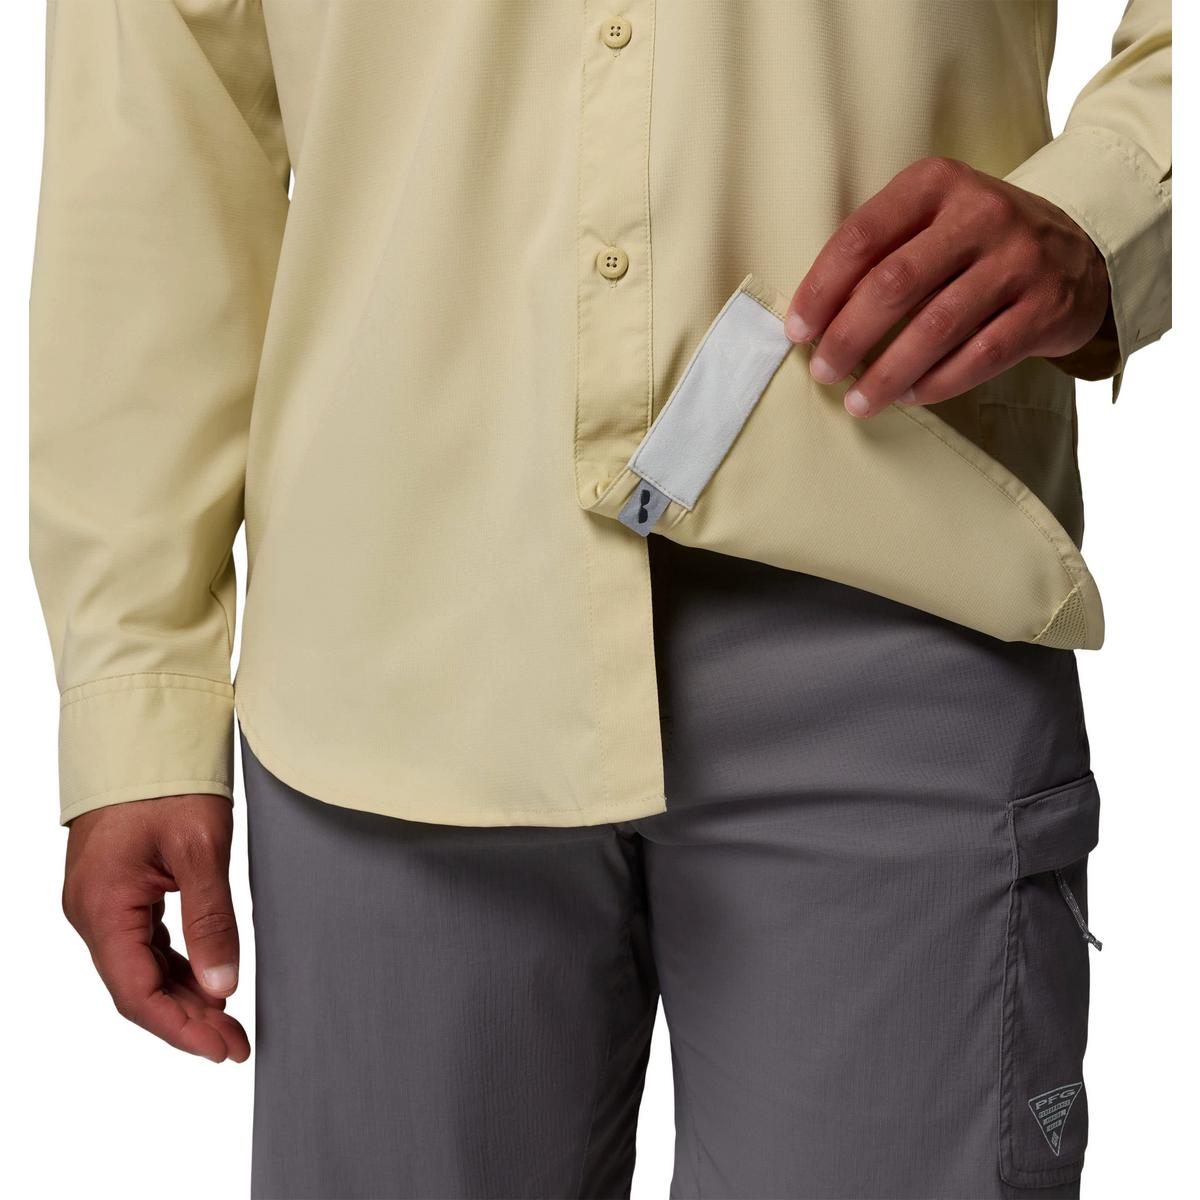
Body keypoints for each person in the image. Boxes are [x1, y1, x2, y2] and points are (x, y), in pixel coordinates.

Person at [30, 3, 1170, 1198]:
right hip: (387, 654)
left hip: (893, 584)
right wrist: (135, 700)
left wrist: (1111, 203)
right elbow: (159, 96)